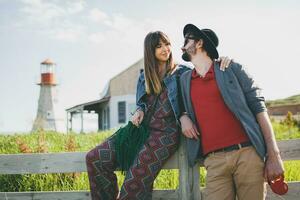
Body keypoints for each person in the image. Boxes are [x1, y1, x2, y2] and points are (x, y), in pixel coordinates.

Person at [85, 30, 230, 200]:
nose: (165, 49)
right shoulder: (143, 76)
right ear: (150, 50)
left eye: (167, 44)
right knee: (95, 158)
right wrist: (139, 110)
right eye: (159, 46)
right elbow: (141, 103)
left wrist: (221, 61)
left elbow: (205, 69)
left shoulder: (182, 72)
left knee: (133, 184)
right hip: (139, 130)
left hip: (164, 134)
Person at [179, 24, 284, 200]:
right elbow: (174, 100)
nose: (182, 43)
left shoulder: (232, 69)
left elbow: (259, 108)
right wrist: (183, 116)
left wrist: (274, 155)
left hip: (247, 155)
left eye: (187, 39)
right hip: (214, 162)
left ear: (199, 43)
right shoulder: (184, 79)